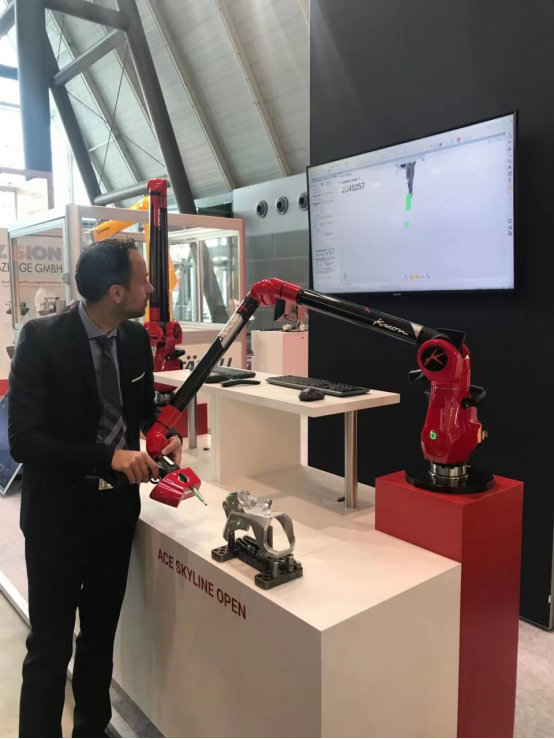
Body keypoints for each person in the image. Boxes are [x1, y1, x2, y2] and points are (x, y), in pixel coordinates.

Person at [8, 239, 182, 739]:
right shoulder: (41, 339)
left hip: (115, 515)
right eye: (143, 280)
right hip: (58, 518)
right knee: (50, 646)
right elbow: (24, 441)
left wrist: (161, 434)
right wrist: (108, 457)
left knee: (100, 638)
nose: (151, 287)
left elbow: (140, 413)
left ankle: (91, 728)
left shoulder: (134, 339)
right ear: (115, 292)